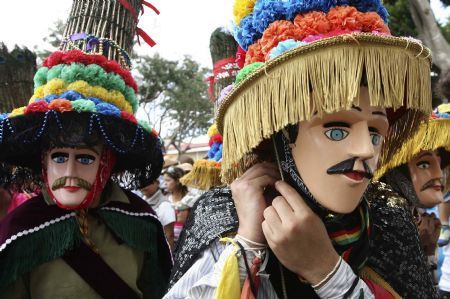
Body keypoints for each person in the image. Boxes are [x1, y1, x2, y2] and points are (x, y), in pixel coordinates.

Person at [165, 0, 435, 298]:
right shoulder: (223, 215)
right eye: (336, 130)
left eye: (374, 132)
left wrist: (327, 272)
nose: (365, 150)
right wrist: (247, 244)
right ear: (281, 135)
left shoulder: (389, 221)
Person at [0, 1, 172, 298]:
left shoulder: (141, 222)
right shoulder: (19, 229)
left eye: (84, 158)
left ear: (108, 161)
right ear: (43, 160)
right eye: (58, 157)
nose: (69, 172)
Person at [374, 104, 450, 284]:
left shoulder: (413, 217)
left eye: (439, 164)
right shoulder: (384, 220)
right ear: (394, 173)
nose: (439, 174)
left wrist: (427, 250)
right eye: (424, 164)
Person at [141, 178, 176, 251]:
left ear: (157, 182)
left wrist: (167, 259)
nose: (142, 186)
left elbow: (169, 235)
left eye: (146, 182)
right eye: (139, 183)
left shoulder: (164, 205)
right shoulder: (141, 200)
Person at [164, 166, 197, 243]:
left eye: (168, 180)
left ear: (178, 181)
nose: (165, 183)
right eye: (164, 180)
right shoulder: (166, 200)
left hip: (188, 240)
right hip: (170, 241)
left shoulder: (191, 199)